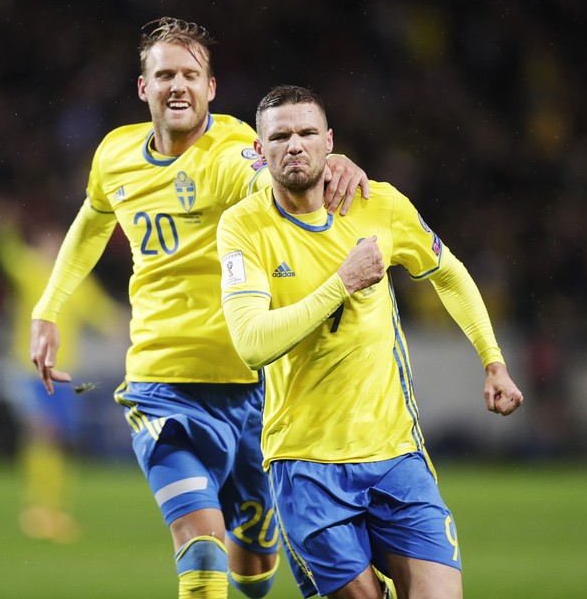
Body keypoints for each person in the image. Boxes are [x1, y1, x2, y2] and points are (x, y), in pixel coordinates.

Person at [30, 18, 371, 599]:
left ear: (211, 87)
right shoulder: (115, 155)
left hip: (254, 390)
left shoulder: (236, 151)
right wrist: (48, 308)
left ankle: (254, 539)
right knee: (201, 547)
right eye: (165, 74)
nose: (178, 85)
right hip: (162, 386)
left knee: (255, 573)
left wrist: (329, 166)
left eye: (191, 74)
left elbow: (274, 180)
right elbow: (92, 221)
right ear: (144, 87)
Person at [216, 85, 524, 599]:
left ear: (329, 141)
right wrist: (343, 282)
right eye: (281, 136)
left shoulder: (377, 203)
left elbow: (449, 273)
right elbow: (251, 342)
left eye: (308, 133)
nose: (295, 145)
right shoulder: (243, 227)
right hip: (305, 465)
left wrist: (493, 361)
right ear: (259, 150)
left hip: (397, 456)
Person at [0, 205, 126, 541]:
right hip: (29, 370)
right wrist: (3, 226)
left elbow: (102, 312)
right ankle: (37, 509)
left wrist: (124, 327)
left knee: (60, 441)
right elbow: (8, 254)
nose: (52, 248)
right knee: (44, 433)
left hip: (65, 373)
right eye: (47, 242)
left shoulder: (76, 280)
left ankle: (54, 510)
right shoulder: (32, 271)